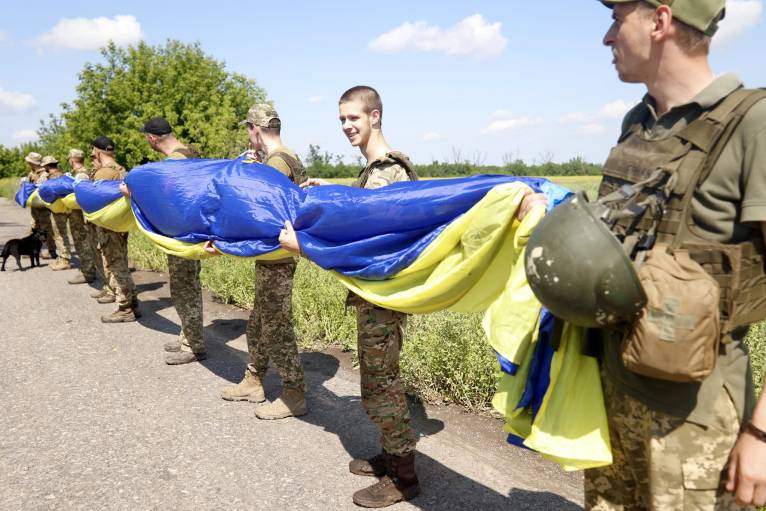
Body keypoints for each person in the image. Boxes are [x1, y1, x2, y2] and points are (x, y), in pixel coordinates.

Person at [583, 1, 766, 509]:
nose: (607, 37)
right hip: (613, 396)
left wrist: (762, 435)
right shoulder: (636, 125)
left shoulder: (755, 122)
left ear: (659, 22)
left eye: (618, 19)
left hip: (697, 423)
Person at [280, 86, 421, 508]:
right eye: (342, 119)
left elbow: (368, 237)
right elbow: (367, 209)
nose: (346, 126)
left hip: (382, 297)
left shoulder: (386, 170)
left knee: (381, 386)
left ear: (375, 116)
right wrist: (335, 190)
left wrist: (305, 248)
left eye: (353, 118)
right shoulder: (377, 170)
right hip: (375, 295)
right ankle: (391, 453)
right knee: (378, 381)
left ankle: (405, 475)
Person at [217, 104, 309, 418]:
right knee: (259, 321)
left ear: (255, 129)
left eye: (248, 131)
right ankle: (253, 380)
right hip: (273, 255)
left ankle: (294, 391)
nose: (248, 137)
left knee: (276, 324)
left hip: (279, 258)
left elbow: (261, 207)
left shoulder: (277, 162)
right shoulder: (283, 158)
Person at [128, 117, 207, 365]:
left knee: (184, 287)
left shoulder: (175, 162)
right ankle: (188, 334)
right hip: (191, 230)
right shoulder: (190, 152)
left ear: (152, 138)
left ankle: (193, 345)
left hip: (183, 234)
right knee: (186, 285)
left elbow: (167, 197)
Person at [90, 136, 139, 323]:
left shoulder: (103, 173)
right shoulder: (121, 169)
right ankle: (133, 303)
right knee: (122, 263)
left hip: (109, 226)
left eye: (93, 151)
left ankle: (125, 309)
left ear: (97, 152)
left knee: (116, 266)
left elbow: (97, 201)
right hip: (122, 224)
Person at [65, 148, 98, 285]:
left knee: (83, 243)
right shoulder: (83, 172)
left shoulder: (81, 175)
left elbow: (82, 196)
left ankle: (87, 272)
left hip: (81, 217)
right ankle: (88, 269)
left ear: (72, 160)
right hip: (79, 216)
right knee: (84, 243)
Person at [38, 155, 73, 271]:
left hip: (58, 210)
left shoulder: (48, 178)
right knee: (71, 234)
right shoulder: (64, 175)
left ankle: (64, 260)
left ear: (47, 166)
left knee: (60, 235)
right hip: (70, 208)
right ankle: (63, 258)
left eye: (44, 167)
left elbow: (40, 189)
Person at [24, 151, 57, 259]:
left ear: (33, 163)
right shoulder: (32, 172)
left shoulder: (44, 174)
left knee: (46, 228)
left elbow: (42, 188)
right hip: (34, 205)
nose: (28, 164)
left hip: (42, 206)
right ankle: (30, 249)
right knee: (34, 226)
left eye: (30, 162)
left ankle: (51, 250)